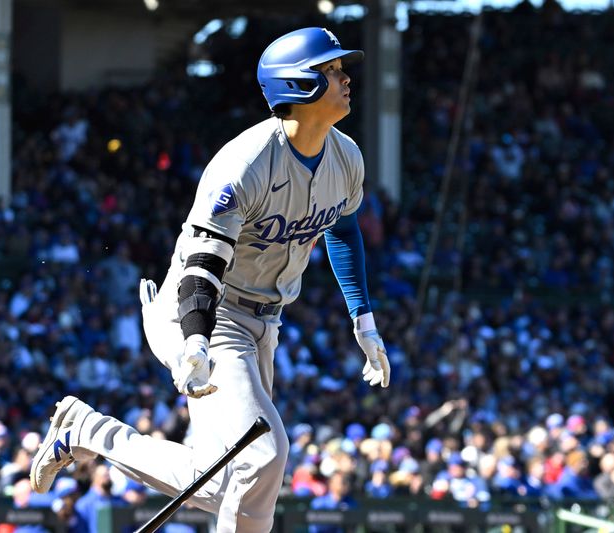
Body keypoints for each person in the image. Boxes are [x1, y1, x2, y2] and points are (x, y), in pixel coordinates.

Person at [29, 27, 390, 533]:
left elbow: (344, 227)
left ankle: (87, 430)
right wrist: (195, 339)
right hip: (205, 311)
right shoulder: (243, 165)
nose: (346, 76)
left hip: (266, 320)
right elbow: (203, 268)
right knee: (267, 455)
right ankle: (89, 432)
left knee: (243, 483)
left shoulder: (345, 155)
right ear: (298, 85)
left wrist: (364, 319)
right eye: (331, 70)